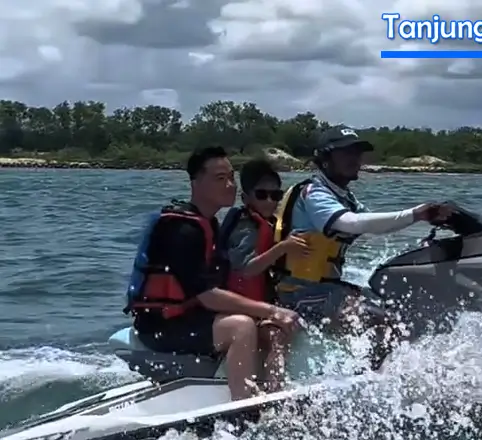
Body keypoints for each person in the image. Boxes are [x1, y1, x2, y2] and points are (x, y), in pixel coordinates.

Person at [125, 147, 300, 400]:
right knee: (242, 326)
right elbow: (207, 295)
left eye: (231, 177)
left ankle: (274, 392)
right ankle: (244, 405)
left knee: (268, 327)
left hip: (191, 317)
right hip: (160, 327)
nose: (229, 185)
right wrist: (272, 311)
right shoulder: (183, 230)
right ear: (196, 183)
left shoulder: (209, 224)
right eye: (220, 178)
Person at [272, 124, 451, 369]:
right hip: (299, 292)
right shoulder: (313, 194)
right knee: (376, 319)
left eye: (357, 152)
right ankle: (367, 382)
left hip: (328, 289)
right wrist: (415, 214)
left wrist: (428, 221)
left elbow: (375, 224)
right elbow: (350, 223)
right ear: (325, 159)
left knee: (401, 311)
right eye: (346, 153)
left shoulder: (345, 197)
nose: (354, 159)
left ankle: (387, 376)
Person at [217, 157, 307, 391]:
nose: (270, 201)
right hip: (235, 308)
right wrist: (282, 248)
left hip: (258, 304)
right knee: (278, 337)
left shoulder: (270, 224)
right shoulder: (245, 226)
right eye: (262, 194)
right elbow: (246, 269)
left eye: (276, 196)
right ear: (245, 198)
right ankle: (272, 395)